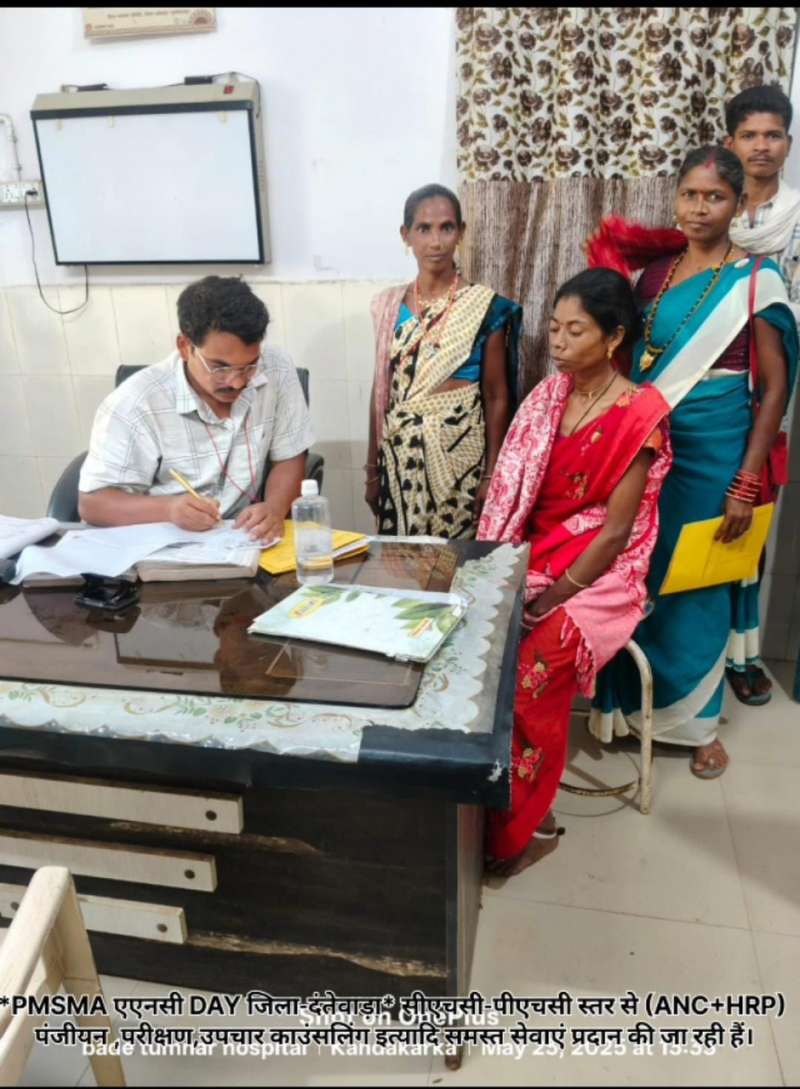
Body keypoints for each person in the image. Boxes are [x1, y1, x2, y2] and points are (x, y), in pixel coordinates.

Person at [588, 146, 798, 779]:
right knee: (636, 576)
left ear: (738, 204)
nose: (700, 207)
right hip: (648, 449)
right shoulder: (652, 276)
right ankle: (629, 708)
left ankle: (697, 726)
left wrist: (747, 478)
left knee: (698, 583)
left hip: (716, 453)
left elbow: (775, 389)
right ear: (675, 198)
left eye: (715, 197)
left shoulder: (758, 279)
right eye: (690, 195)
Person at [477, 269, 672, 876]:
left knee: (529, 680)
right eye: (555, 328)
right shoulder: (548, 397)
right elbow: (516, 495)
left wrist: (554, 596)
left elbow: (616, 532)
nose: (558, 342)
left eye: (575, 330)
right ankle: (475, 808)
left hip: (599, 573)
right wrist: (507, 570)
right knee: (478, 657)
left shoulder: (641, 413)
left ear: (614, 338)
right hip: (536, 552)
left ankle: (522, 830)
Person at [79, 275, 313, 543]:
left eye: (249, 366)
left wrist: (274, 508)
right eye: (219, 367)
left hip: (246, 541)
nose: (236, 382)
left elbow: (289, 456)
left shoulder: (275, 368)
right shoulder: (136, 402)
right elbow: (93, 504)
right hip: (167, 544)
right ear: (185, 347)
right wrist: (169, 510)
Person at [366, 184, 522, 538]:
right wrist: (372, 470)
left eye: (446, 227)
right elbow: (380, 391)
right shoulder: (389, 307)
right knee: (401, 563)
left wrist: (491, 475)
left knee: (458, 563)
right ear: (406, 235)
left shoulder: (485, 307)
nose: (435, 242)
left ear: (460, 232)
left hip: (461, 462)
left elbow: (496, 396)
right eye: (423, 229)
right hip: (399, 461)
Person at [724, 85, 800, 705]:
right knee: (700, 517)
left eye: (773, 135)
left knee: (750, 517)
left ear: (789, 144)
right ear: (730, 143)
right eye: (749, 135)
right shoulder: (711, 209)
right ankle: (697, 649)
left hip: (772, 390)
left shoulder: (796, 218)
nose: (761, 146)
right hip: (711, 391)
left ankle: (742, 654)